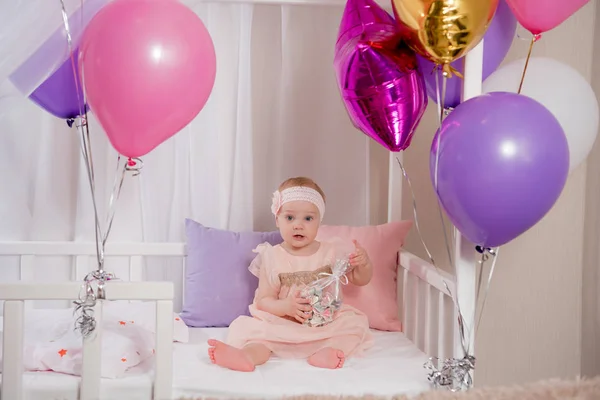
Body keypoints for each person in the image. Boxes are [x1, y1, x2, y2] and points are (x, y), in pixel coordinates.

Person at [207, 177, 374, 372]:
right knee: (258, 337)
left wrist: (364, 264)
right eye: (290, 218)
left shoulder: (331, 252)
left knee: (353, 326)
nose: (298, 225)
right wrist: (286, 306)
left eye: (308, 218)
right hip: (282, 324)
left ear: (320, 221)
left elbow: (360, 279)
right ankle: (247, 355)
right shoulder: (272, 256)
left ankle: (328, 352)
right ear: (277, 219)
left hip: (324, 323)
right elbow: (264, 301)